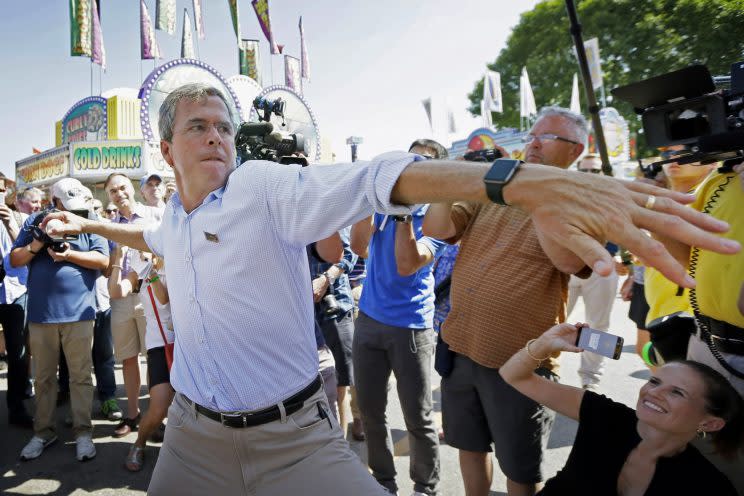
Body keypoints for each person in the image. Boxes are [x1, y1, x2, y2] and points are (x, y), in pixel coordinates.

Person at [41, 83, 739, 494]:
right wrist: (92, 220)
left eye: (224, 126)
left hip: (295, 441)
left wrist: (518, 181)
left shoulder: (259, 188)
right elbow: (156, 240)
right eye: (198, 127)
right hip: (191, 438)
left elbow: (379, 176)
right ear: (166, 150)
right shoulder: (175, 216)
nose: (217, 137)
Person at [422, 107, 588, 496]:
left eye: (546, 137)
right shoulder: (496, 183)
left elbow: (569, 260)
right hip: (462, 347)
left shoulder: (580, 198)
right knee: (469, 446)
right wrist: (452, 179)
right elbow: (436, 228)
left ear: (577, 150)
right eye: (531, 135)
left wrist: (540, 194)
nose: (532, 143)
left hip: (522, 360)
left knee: (521, 467)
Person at [499, 322, 742, 495]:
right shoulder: (605, 414)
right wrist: (544, 344)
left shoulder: (707, 485)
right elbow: (514, 376)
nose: (653, 392)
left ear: (710, 423)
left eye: (676, 392)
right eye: (655, 381)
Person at [351, 138, 449, 495]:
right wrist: (369, 198)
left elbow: (408, 264)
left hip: (411, 327)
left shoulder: (439, 217)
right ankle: (384, 483)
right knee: (372, 414)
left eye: (422, 163)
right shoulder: (382, 204)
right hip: (368, 323)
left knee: (418, 417)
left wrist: (402, 211)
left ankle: (425, 487)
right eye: (410, 161)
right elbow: (359, 247)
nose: (412, 168)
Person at [11, 178, 109, 462]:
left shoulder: (90, 219)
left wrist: (71, 255)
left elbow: (103, 263)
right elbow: (15, 260)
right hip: (42, 315)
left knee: (80, 376)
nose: (72, 212)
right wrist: (36, 245)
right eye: (65, 206)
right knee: (43, 378)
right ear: (53, 202)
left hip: (80, 313)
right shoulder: (33, 221)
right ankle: (43, 431)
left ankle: (82, 433)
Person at [104, 172, 162, 437]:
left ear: (132, 189)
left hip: (151, 292)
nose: (119, 194)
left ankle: (156, 415)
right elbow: (108, 269)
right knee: (128, 358)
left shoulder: (153, 217)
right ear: (109, 196)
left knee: (154, 357)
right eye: (113, 191)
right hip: (121, 298)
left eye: (122, 188)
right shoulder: (109, 226)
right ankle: (132, 415)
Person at [107, 247, 175, 472]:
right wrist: (117, 257)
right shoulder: (141, 269)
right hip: (160, 345)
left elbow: (166, 297)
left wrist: (151, 272)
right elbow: (117, 292)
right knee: (159, 406)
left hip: (187, 344)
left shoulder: (178, 260)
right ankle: (139, 443)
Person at [567, 154, 621, 390]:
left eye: (595, 171)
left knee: (598, 326)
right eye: (585, 170)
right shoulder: (564, 195)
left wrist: (622, 255)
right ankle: (540, 368)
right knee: (548, 321)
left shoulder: (614, 195)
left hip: (602, 268)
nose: (590, 175)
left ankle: (590, 382)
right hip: (566, 268)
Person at [309, 228, 358, 429]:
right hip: (301, 311)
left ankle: (341, 443)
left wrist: (325, 280)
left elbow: (349, 254)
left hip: (332, 309)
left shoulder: (327, 210)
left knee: (338, 385)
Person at [0, 174, 33, 428]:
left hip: (15, 293)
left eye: (2, 190)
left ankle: (17, 407)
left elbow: (24, 250)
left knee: (18, 353)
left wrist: (11, 224)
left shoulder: (17, 218)